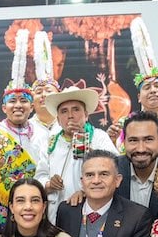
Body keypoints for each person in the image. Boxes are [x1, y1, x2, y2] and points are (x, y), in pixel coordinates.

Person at [44, 86, 118, 222]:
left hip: (93, 210)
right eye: (64, 111)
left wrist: (85, 192)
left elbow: (115, 170)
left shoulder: (99, 137)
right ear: (58, 119)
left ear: (86, 115)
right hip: (56, 214)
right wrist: (49, 184)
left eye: (76, 109)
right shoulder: (50, 143)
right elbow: (40, 176)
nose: (70, 116)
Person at [0, 84, 50, 224]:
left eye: (23, 101)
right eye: (12, 101)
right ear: (4, 108)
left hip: (32, 206)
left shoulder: (44, 134)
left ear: (31, 107)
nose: (18, 105)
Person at [116, 111, 158, 219]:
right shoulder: (112, 169)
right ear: (124, 142)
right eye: (133, 140)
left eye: (148, 140)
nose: (141, 149)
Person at [108, 68, 158, 151]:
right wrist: (113, 141)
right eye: (147, 87)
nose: (152, 90)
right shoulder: (127, 122)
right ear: (139, 97)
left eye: (157, 86)